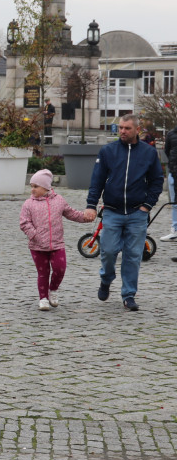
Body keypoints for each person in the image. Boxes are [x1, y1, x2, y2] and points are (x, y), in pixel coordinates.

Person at [85, 114, 164, 312]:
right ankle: (106, 279)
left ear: (137, 130)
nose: (122, 131)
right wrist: (91, 205)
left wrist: (147, 205)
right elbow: (97, 181)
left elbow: (157, 181)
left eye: (127, 128)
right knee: (108, 251)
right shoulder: (108, 151)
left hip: (138, 213)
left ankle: (128, 295)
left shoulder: (149, 153)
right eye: (120, 127)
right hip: (112, 211)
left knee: (133, 255)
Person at [20, 169, 89, 311]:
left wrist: (85, 217)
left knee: (60, 268)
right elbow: (24, 222)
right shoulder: (28, 204)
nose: (32, 190)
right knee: (43, 272)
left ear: (46, 187)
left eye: (35, 186)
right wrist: (34, 235)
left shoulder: (59, 200)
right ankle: (43, 298)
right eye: (31, 186)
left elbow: (71, 214)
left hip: (57, 244)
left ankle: (53, 289)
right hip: (37, 246)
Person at [163, 123, 177, 242]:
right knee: (174, 203)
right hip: (174, 172)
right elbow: (167, 151)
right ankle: (175, 230)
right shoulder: (171, 134)